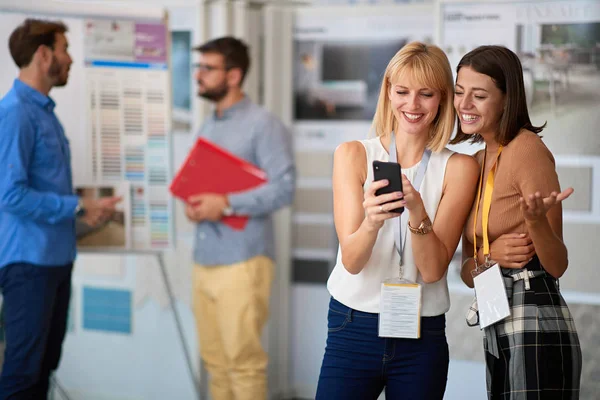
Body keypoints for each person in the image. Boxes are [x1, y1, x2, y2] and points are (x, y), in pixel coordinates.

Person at [316, 42, 479, 400]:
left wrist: (418, 210)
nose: (412, 105)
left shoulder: (460, 168)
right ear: (388, 92)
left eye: (426, 94)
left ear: (442, 99)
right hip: (353, 324)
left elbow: (433, 270)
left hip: (422, 333)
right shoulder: (354, 155)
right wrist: (372, 221)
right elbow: (352, 261)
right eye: (402, 91)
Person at [0, 19, 120, 399]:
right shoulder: (16, 112)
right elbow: (9, 194)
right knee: (22, 375)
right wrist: (77, 205)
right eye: (65, 49)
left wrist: (83, 213)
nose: (69, 59)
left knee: (43, 370)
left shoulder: (44, 113)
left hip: (55, 259)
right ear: (43, 55)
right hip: (28, 263)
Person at [453, 45, 582, 399]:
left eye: (479, 95)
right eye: (459, 92)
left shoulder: (526, 149)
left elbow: (557, 265)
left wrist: (536, 222)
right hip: (497, 313)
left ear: (507, 100)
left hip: (533, 313)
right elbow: (466, 271)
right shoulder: (477, 160)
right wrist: (491, 256)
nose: (464, 104)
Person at [184, 37, 295, 400]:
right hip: (205, 259)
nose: (198, 75)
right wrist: (196, 204)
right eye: (198, 67)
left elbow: (284, 188)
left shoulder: (263, 124)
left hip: (243, 261)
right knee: (215, 365)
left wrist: (226, 203)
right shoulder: (209, 124)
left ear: (233, 75)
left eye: (207, 68)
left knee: (243, 365)